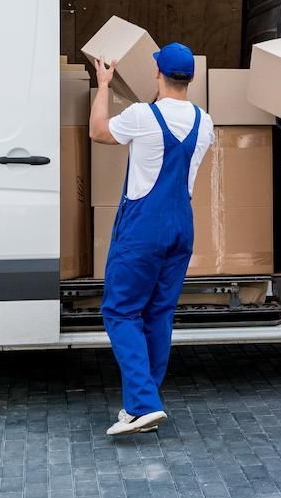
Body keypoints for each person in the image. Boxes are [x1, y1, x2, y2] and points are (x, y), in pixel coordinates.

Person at [89, 42, 215, 436]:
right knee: (158, 315)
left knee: (120, 311)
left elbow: (97, 131)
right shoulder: (204, 122)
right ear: (191, 78)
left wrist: (104, 84)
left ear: (157, 74)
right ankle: (140, 404)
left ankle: (143, 403)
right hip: (182, 225)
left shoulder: (142, 116)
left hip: (144, 227)